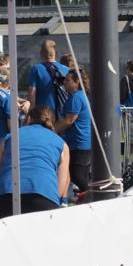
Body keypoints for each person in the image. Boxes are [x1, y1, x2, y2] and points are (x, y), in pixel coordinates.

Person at [0, 106, 70, 218]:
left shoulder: (10, 137)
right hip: (44, 197)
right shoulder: (61, 144)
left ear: (28, 119)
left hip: (4, 195)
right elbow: (60, 189)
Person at [54, 67, 92, 195]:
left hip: (79, 143)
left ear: (77, 82)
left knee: (78, 176)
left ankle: (92, 197)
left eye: (68, 80)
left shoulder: (76, 98)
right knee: (79, 176)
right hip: (82, 143)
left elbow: (69, 120)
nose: (64, 82)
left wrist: (51, 130)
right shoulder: (82, 96)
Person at [28, 39, 69, 114]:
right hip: (63, 114)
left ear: (41, 53)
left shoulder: (36, 69)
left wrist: (31, 113)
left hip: (44, 115)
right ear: (56, 53)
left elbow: (32, 94)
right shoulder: (67, 70)